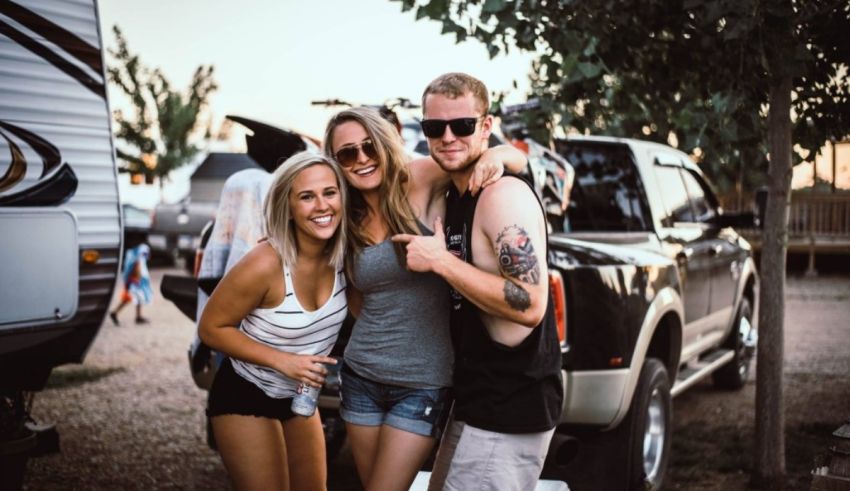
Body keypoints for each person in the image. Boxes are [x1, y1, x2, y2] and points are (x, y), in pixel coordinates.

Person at [323, 106, 528, 491]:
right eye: (348, 154)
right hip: (361, 376)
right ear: (336, 163)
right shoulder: (343, 215)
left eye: (370, 147)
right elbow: (356, 300)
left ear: (386, 145)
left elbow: (516, 157)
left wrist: (499, 154)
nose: (362, 159)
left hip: (422, 382)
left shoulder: (419, 178)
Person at [392, 72, 564, 491]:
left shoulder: (500, 195)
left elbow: (531, 304)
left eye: (463, 125)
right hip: (476, 399)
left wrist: (441, 263)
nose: (448, 136)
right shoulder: (459, 191)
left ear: (486, 126)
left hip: (510, 403)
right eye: (435, 127)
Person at [198, 151, 348, 491]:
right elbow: (210, 327)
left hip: (298, 397)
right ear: (289, 207)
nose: (322, 206)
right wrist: (285, 362)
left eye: (330, 192)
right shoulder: (265, 262)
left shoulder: (345, 257)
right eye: (307, 197)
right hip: (244, 392)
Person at [109, 243, 153, 325]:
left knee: (138, 298)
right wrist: (138, 278)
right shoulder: (139, 256)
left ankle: (138, 316)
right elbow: (138, 266)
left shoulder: (134, 255)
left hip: (135, 280)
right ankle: (115, 313)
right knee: (131, 298)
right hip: (136, 281)